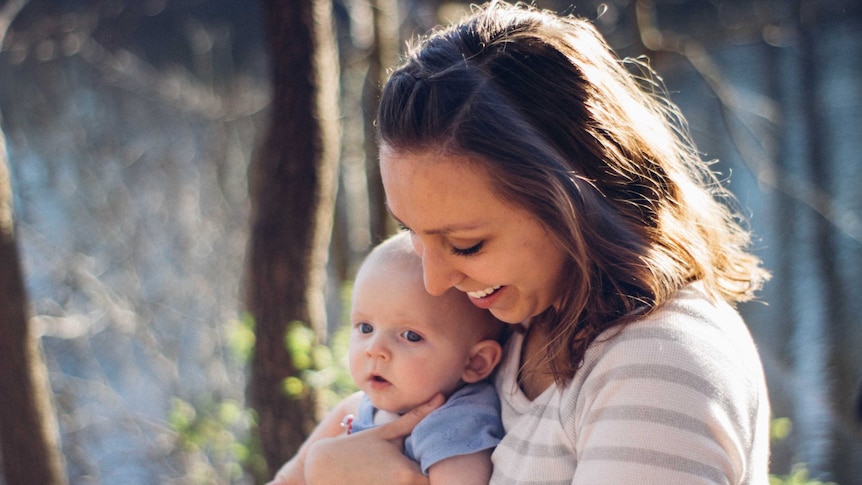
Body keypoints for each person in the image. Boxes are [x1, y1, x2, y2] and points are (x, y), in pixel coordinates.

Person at [277, 1, 773, 484]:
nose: (434, 280)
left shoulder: (658, 368)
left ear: (574, 202)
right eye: (412, 232)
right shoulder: (508, 324)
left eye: (467, 244)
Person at [271, 233, 507, 485]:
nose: (374, 349)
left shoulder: (456, 425)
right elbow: (289, 478)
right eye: (365, 328)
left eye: (410, 335)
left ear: (476, 362)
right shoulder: (356, 407)